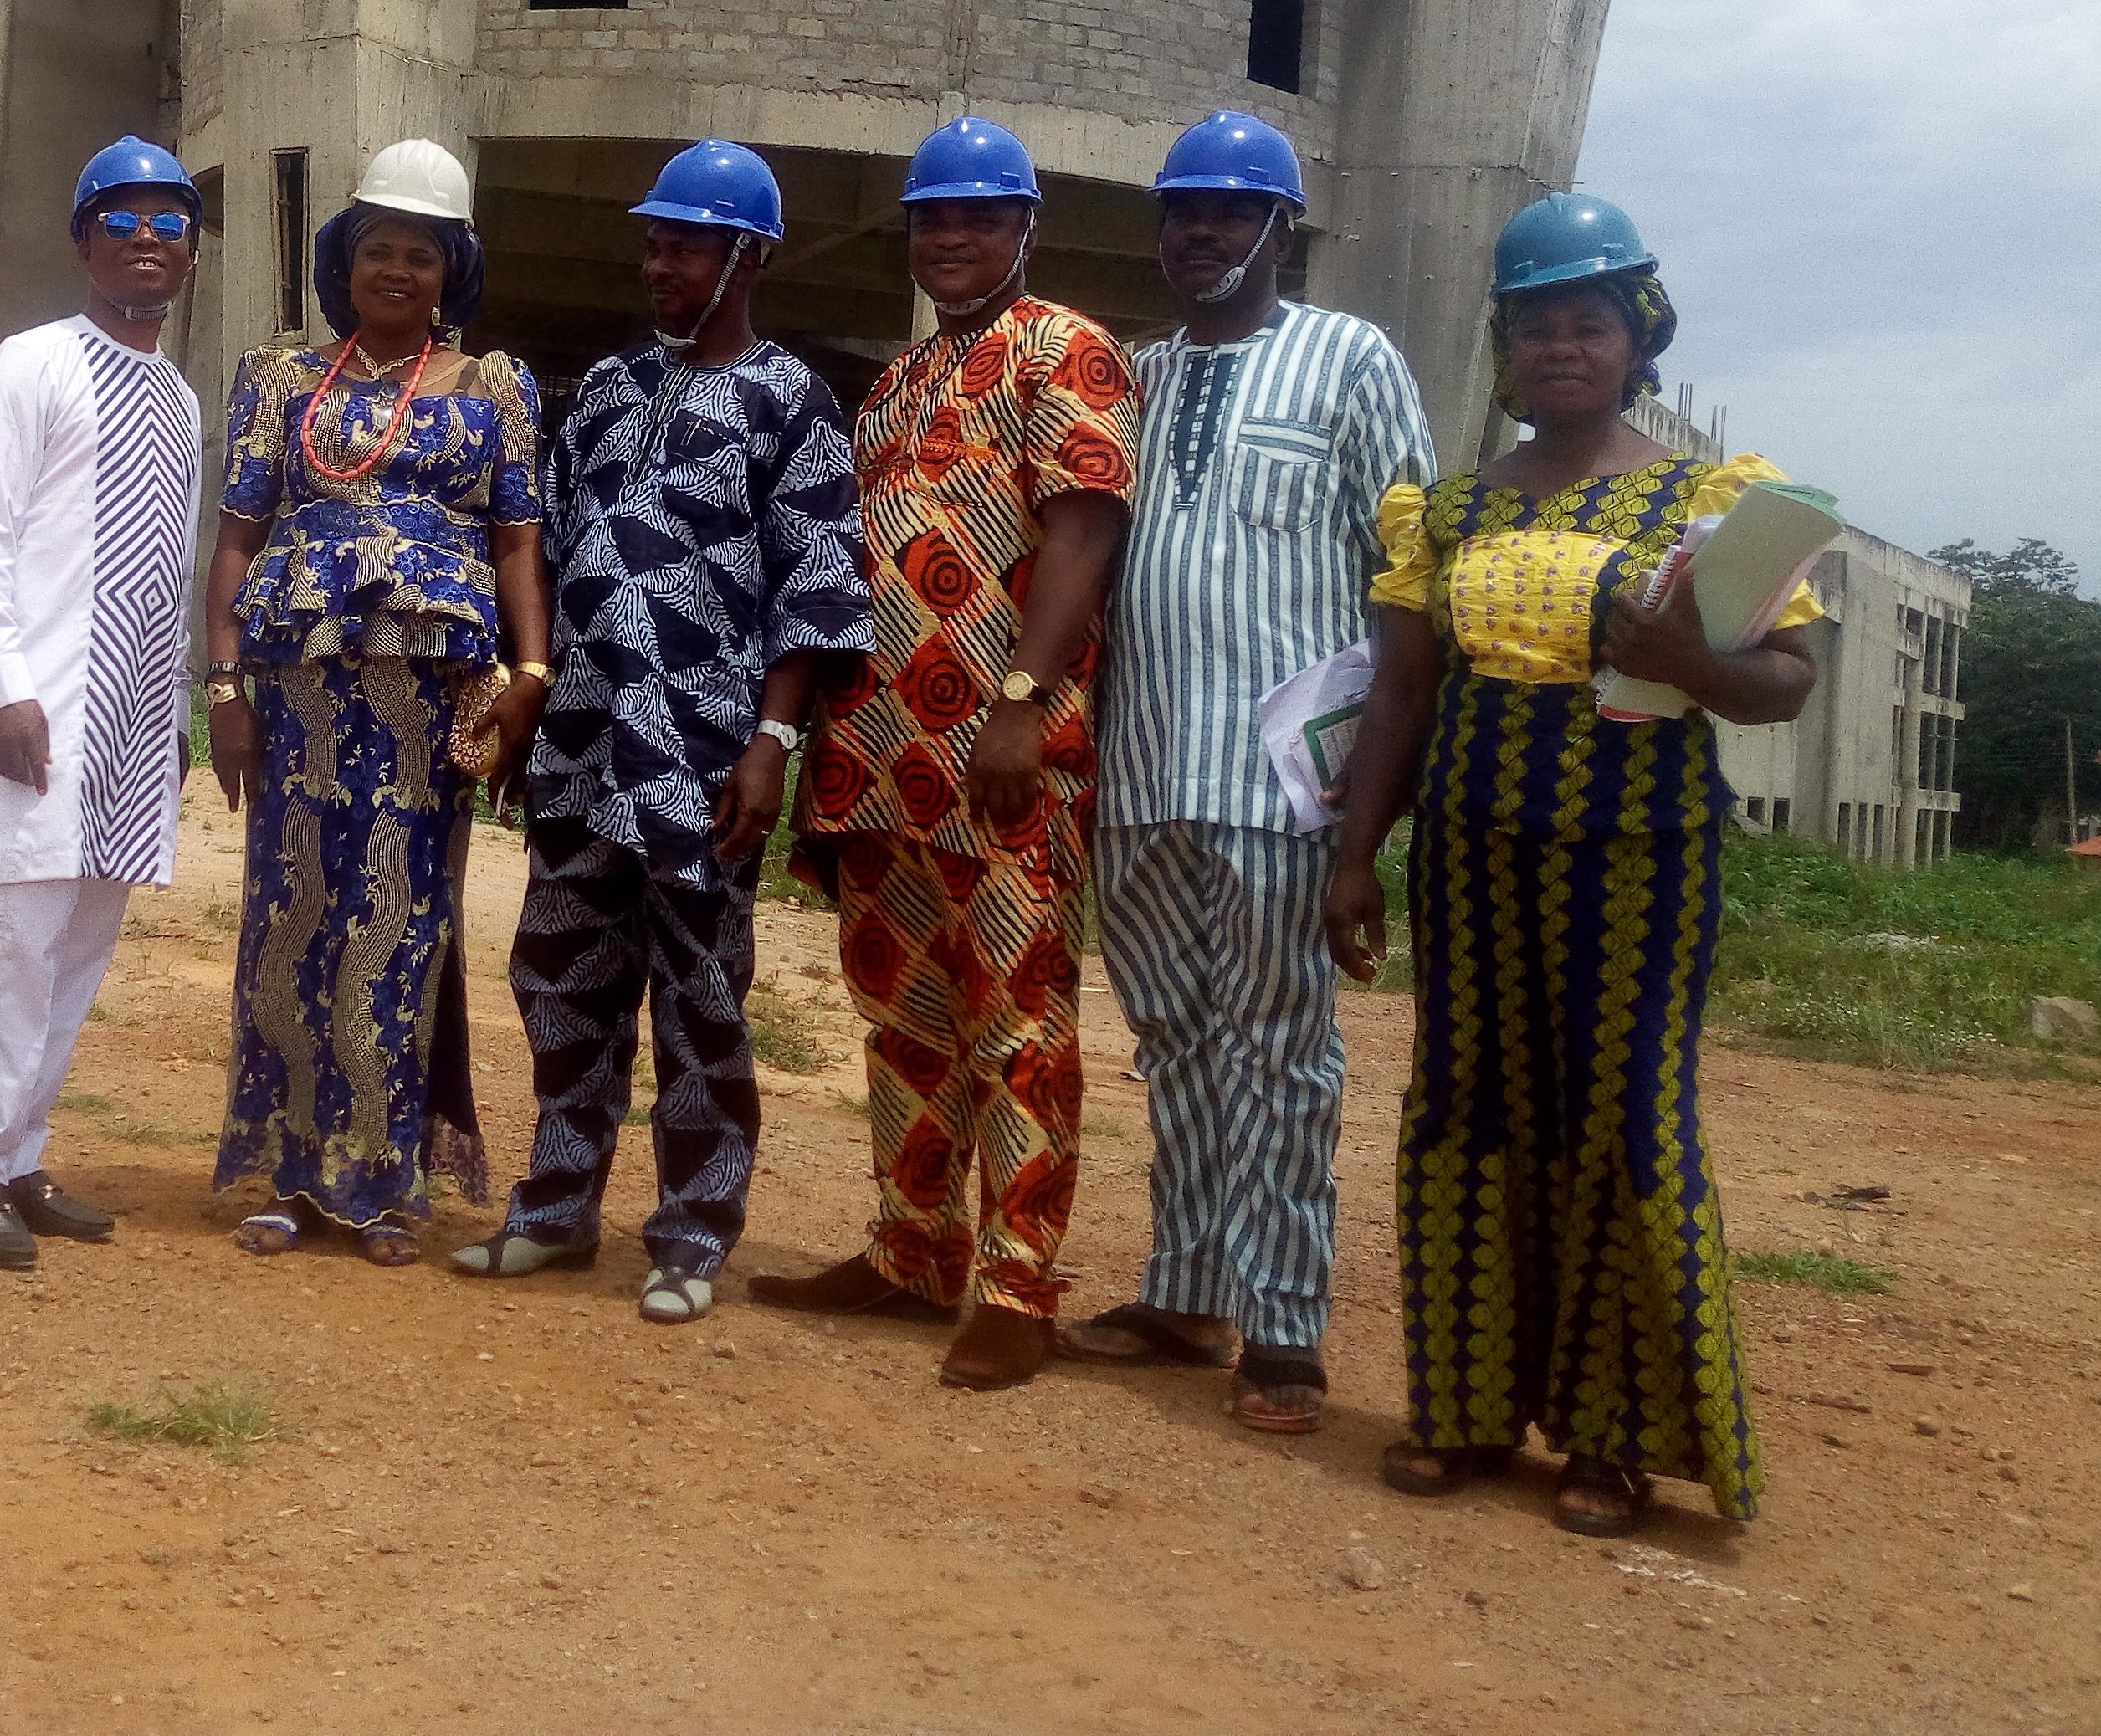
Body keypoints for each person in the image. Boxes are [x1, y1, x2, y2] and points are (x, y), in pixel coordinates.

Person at [1327, 192, 1814, 1537]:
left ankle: (1615, 1438)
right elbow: (1403, 696)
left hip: (1642, 859)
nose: (1561, 345)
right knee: (1465, 1108)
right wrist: (1357, 856)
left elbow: (1783, 685)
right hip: (1474, 854)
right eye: (1535, 324)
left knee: (1627, 1126)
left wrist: (1685, 662)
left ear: (1637, 335)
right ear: (1505, 345)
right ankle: (1466, 1411)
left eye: (1588, 322)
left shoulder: (1706, 504)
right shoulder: (1452, 508)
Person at [1060, 112, 1434, 1427]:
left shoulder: (1352, 359)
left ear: (1286, 228)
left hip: (1283, 784)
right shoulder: (1134, 377)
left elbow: (1410, 592)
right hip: (1144, 768)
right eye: (1182, 211)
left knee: (1279, 1049)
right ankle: (1186, 1288)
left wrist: (1364, 832)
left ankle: (1284, 1324)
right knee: (1174, 1039)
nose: (1200, 231)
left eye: (1229, 210)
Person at [456, 141, 868, 1327]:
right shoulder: (608, 391)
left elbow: (818, 587)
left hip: (702, 756)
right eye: (654, 241)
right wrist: (529, 710)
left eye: (685, 243)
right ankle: (555, 1210)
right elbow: (547, 553)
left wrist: (773, 744)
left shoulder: (795, 403)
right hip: (585, 748)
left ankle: (691, 1233)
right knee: (563, 981)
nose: (660, 262)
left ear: (750, 256)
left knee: (701, 998)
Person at [755, 116, 1135, 1390]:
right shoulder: (898, 383)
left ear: (1026, 226)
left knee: (1017, 1024)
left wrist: (1024, 700)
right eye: (932, 217)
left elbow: (1083, 535)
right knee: (903, 1019)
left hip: (1004, 751)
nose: (952, 235)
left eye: (978, 215)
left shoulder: (1066, 351)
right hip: (879, 752)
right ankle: (914, 1251)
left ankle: (1017, 1285)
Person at [206, 141, 551, 1264]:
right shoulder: (281, 383)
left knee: (403, 924)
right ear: (342, 263)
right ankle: (294, 1174)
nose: (396, 270)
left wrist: (531, 678)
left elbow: (516, 547)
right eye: (376, 251)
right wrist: (222, 682)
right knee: (291, 918)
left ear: (451, 268)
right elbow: (239, 539)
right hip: (300, 694)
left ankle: (383, 1176)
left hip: (423, 704)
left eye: (420, 253)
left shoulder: (495, 389)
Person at [0, 137, 203, 1272]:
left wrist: (176, 712)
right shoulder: (34, 362)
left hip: (137, 710)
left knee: (88, 941)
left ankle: (24, 1152)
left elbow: (173, 566)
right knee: (28, 939)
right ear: (84, 238)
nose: (149, 241)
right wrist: (1, 687)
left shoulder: (181, 394)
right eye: (125, 221)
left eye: (171, 224)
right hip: (48, 700)